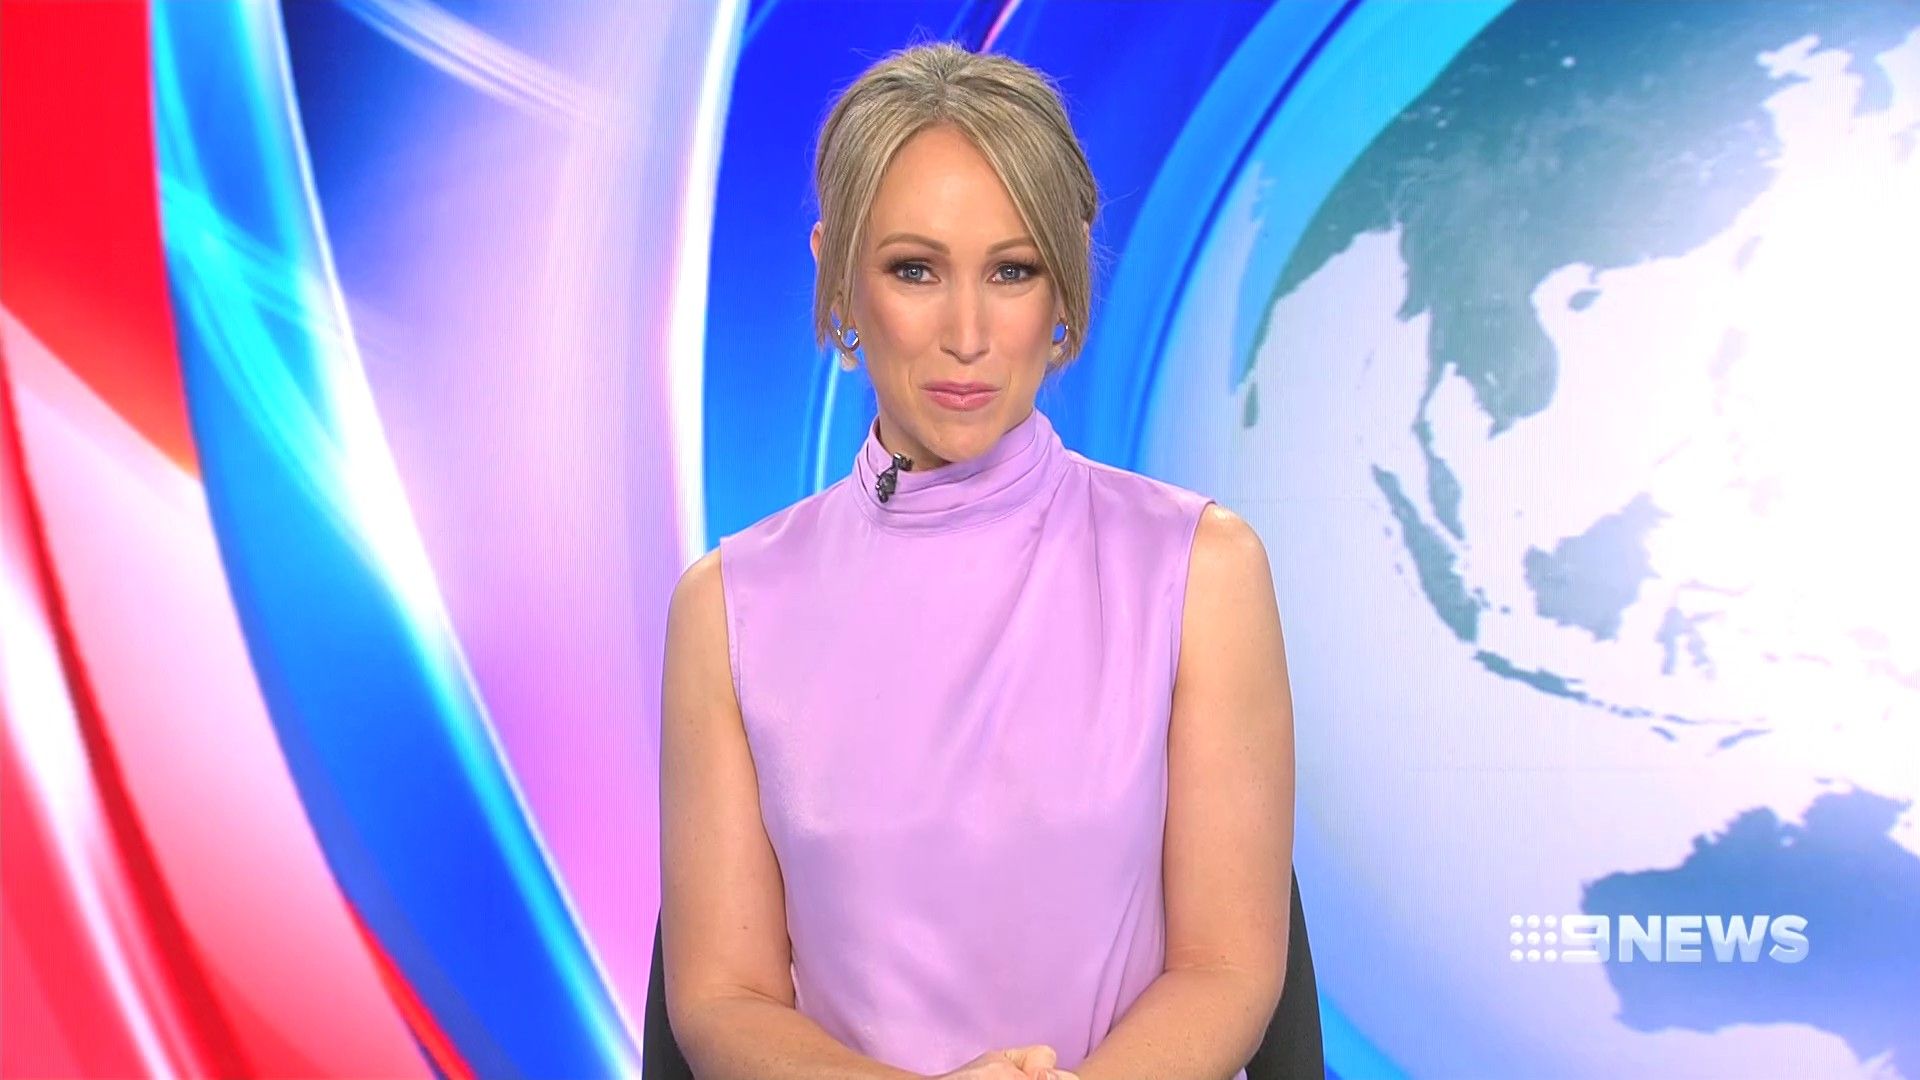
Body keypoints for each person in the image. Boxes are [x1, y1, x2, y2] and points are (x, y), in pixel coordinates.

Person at [659, 40, 1295, 1080]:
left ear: (1064, 283)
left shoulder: (1201, 572)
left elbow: (1225, 968)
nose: (967, 333)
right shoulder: (728, 606)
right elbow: (723, 999)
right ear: (836, 274)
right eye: (914, 270)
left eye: (1012, 271)